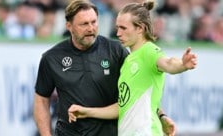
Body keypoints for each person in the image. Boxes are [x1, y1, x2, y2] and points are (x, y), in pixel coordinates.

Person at [33, 0, 177, 136]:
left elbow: (137, 89)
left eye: (94, 22)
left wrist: (161, 115)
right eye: (84, 24)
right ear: (69, 26)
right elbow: (41, 99)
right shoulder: (51, 58)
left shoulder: (116, 50)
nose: (90, 28)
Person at [68, 0, 197, 136]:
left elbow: (168, 63)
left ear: (140, 28)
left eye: (123, 28)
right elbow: (123, 107)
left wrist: (182, 65)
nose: (118, 33)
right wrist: (86, 111)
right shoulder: (128, 61)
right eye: (117, 27)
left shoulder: (149, 51)